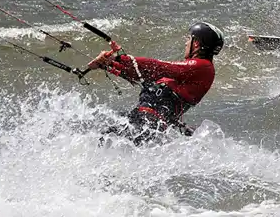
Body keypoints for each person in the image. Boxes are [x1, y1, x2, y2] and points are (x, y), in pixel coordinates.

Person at [88, 22, 224, 144]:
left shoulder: (203, 66)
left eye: (189, 39)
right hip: (145, 120)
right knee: (93, 127)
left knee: (100, 137)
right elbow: (144, 74)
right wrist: (108, 64)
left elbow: (160, 67)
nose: (186, 43)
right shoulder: (191, 71)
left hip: (149, 124)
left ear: (196, 44)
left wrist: (118, 58)